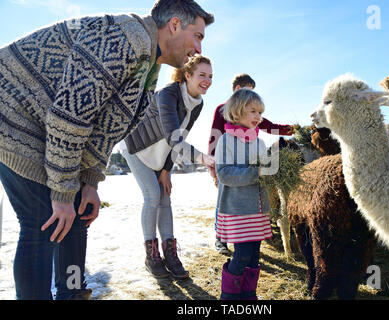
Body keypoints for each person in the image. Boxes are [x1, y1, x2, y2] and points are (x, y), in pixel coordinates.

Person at [0, 0, 214, 300]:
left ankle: (71, 292)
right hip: (12, 113)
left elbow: (104, 129)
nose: (199, 48)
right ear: (175, 25)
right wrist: (62, 192)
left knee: (79, 215)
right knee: (43, 221)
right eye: (198, 36)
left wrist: (88, 182)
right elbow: (71, 115)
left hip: (45, 127)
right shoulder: (126, 38)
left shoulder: (149, 66)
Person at [120, 55, 214, 280]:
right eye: (202, 75)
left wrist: (166, 170)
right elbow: (174, 136)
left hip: (162, 153)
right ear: (187, 75)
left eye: (210, 76)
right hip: (137, 146)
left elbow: (182, 135)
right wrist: (204, 158)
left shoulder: (198, 103)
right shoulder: (168, 94)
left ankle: (170, 255)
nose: (207, 80)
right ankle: (151, 256)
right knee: (152, 196)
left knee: (165, 197)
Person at [208, 74, 294, 254]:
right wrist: (213, 166)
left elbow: (267, 125)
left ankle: (249, 234)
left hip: (249, 160)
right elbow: (215, 135)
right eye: (249, 90)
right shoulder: (222, 109)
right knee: (225, 199)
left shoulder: (252, 115)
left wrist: (288, 130)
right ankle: (220, 237)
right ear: (239, 89)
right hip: (227, 159)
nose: (258, 115)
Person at [214, 88, 273, 300]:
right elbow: (224, 174)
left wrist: (275, 168)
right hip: (238, 209)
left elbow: (266, 172)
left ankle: (249, 294)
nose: (259, 117)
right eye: (253, 111)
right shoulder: (226, 141)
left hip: (256, 209)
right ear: (238, 112)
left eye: (261, 112)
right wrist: (255, 172)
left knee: (254, 256)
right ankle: (229, 297)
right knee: (241, 254)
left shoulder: (260, 142)